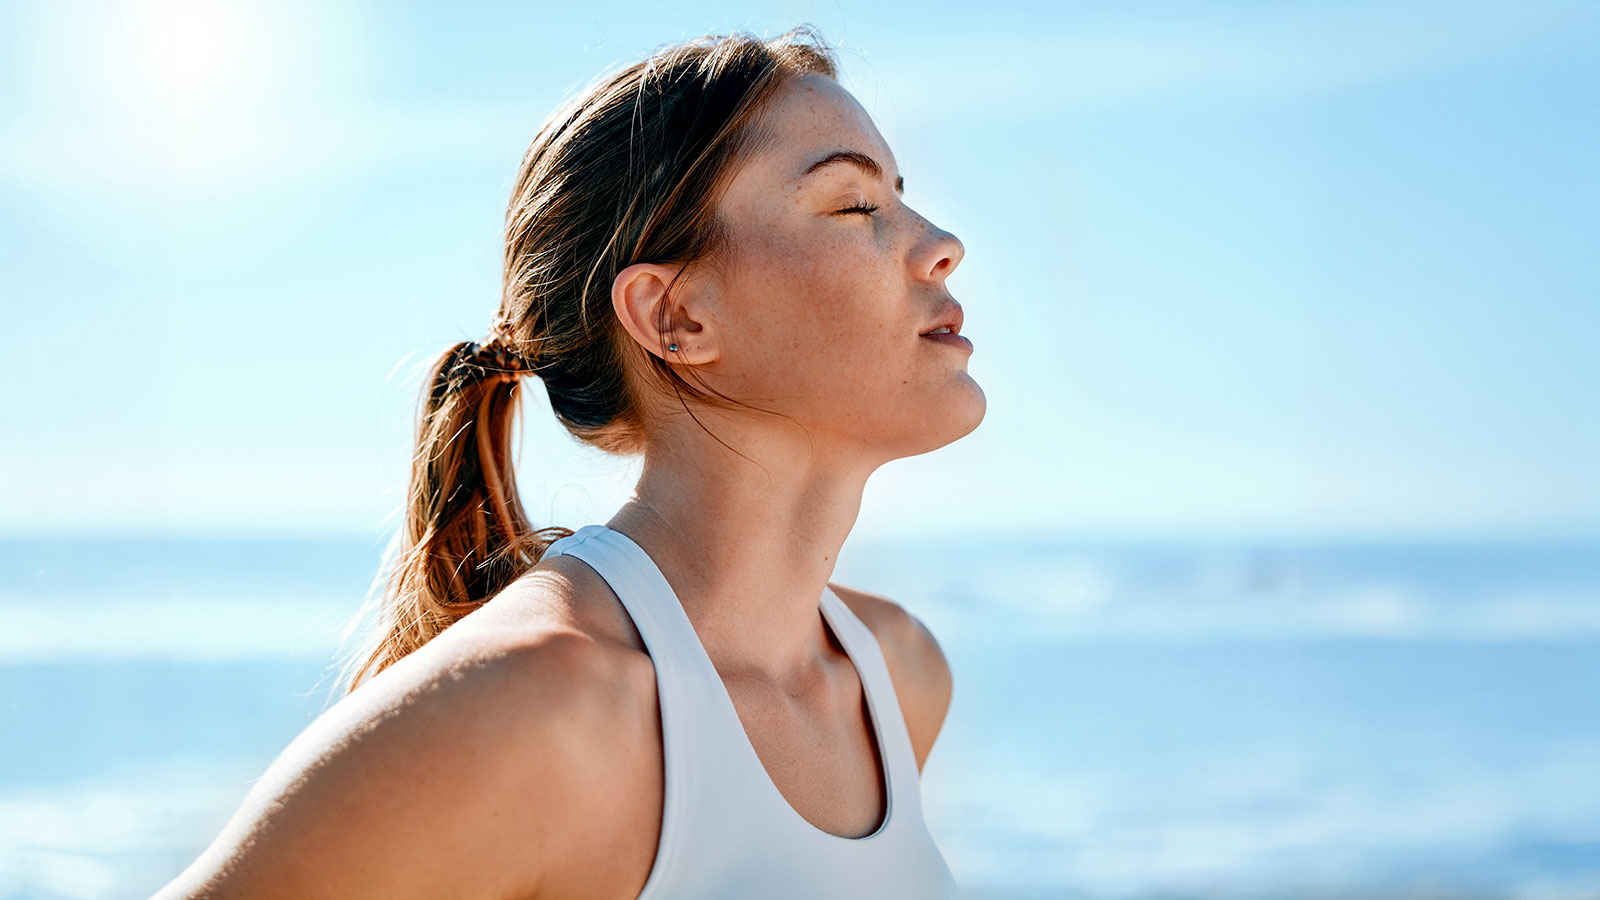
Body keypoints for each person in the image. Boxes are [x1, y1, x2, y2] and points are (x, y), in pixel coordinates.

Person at [155, 23, 982, 899]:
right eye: (857, 206)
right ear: (677, 318)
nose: (940, 242)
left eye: (903, 195)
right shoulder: (536, 708)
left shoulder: (897, 676)